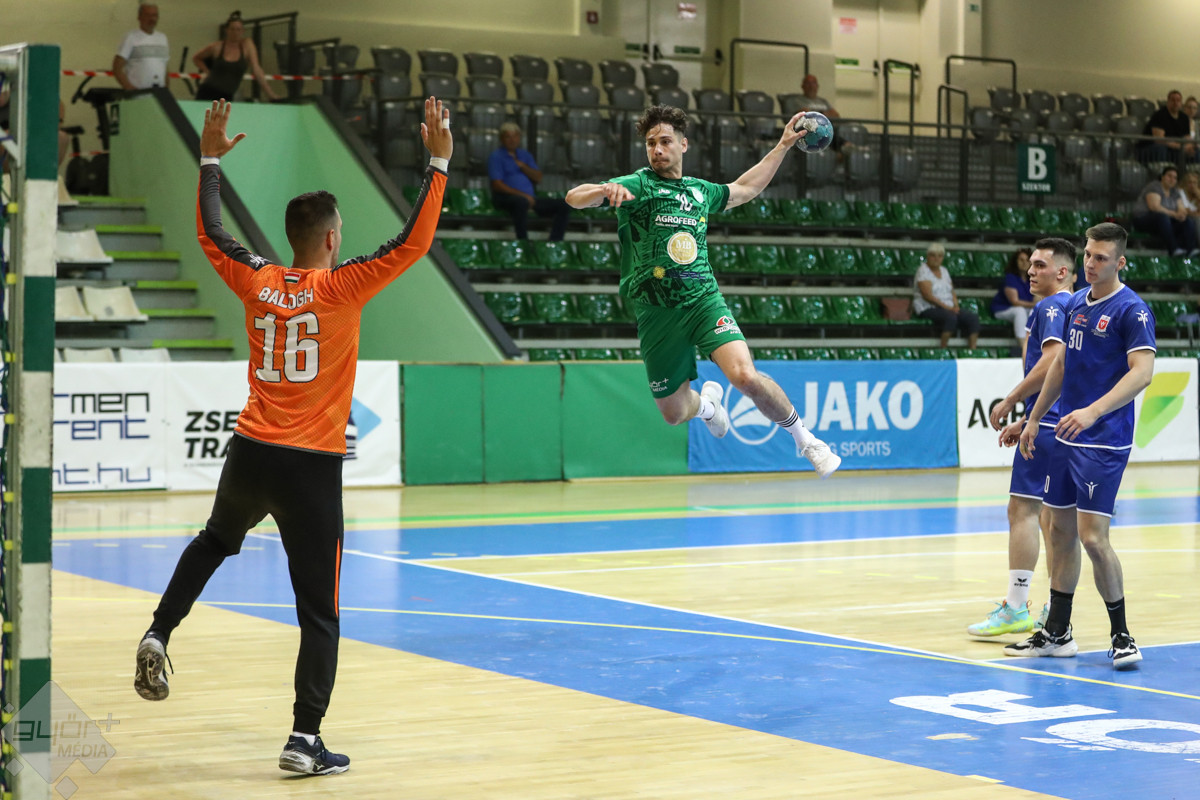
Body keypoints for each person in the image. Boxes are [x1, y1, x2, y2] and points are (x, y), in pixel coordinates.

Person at [133, 97, 452, 773]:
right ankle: (305, 739)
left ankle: (159, 630)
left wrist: (210, 158)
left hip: (250, 451)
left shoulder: (257, 279)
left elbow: (211, 233)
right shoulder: (343, 287)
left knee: (215, 541)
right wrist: (438, 164)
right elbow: (413, 242)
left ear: (291, 237)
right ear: (332, 239)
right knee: (318, 611)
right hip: (310, 465)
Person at [563, 105, 841, 478]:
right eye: (650, 143)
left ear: (683, 144)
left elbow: (745, 189)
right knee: (674, 412)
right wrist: (602, 189)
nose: (657, 149)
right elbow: (574, 197)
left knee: (744, 376)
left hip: (703, 300)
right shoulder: (639, 185)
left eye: (665, 141)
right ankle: (708, 406)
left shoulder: (699, 191)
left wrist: (783, 146)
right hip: (658, 311)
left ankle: (806, 440)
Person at [1009, 223, 1155, 669]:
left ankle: (1122, 635)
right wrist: (1034, 418)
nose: (1091, 264)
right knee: (1059, 532)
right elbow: (1059, 366)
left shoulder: (1132, 310)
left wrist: (1093, 411)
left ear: (1120, 262)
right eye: (1088, 255)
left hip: (1103, 441)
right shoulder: (1075, 304)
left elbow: (1142, 373)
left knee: (1092, 537)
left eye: (1100, 258)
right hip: (1063, 435)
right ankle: (1058, 632)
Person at [971, 238, 1080, 638]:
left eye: (1039, 265)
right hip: (1063, 423)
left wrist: (1013, 399)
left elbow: (1051, 362)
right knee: (1055, 520)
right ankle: (1055, 608)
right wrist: (1028, 416)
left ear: (1062, 272)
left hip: (1048, 425)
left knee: (1023, 512)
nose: (1031, 271)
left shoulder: (1050, 307)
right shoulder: (1078, 307)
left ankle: (1016, 606)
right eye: (1030, 265)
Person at [488, 122, 570, 241]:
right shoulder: (496, 157)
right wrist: (523, 196)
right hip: (506, 197)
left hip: (529, 198)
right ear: (502, 139)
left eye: (515, 136)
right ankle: (523, 241)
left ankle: (555, 241)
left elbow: (538, 177)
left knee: (564, 205)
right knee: (521, 202)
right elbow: (497, 185)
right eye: (508, 137)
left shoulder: (525, 155)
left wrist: (523, 167)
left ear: (519, 138)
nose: (512, 140)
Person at [192, 11, 279, 102]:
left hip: (227, 95)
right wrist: (207, 71)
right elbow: (196, 58)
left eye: (238, 29)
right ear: (227, 30)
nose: (235, 32)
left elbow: (256, 69)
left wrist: (270, 94)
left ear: (243, 31)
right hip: (207, 91)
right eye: (232, 29)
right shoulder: (217, 47)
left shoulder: (247, 45)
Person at [912, 242, 980, 349]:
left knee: (972, 318)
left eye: (939, 256)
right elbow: (928, 296)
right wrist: (948, 308)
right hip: (928, 307)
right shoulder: (923, 271)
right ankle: (943, 348)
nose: (936, 259)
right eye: (933, 255)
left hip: (948, 307)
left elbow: (951, 291)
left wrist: (956, 306)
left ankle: (973, 349)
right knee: (951, 318)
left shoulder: (944, 271)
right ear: (928, 256)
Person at [1130, 165, 1199, 256]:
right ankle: (1174, 249)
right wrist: (1175, 214)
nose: (1172, 179)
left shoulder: (1174, 192)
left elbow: (1181, 208)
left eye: (1175, 178)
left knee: (1188, 221)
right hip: (1143, 219)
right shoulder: (1154, 186)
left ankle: (1190, 250)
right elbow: (1155, 207)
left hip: (1165, 222)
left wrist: (1181, 214)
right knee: (1162, 217)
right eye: (1169, 176)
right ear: (1162, 177)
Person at [113, 3, 169, 92]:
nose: (152, 19)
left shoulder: (163, 38)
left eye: (154, 15)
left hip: (159, 93)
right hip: (138, 94)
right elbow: (117, 68)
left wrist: (166, 90)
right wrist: (129, 87)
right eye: (148, 15)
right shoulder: (130, 37)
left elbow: (165, 67)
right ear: (139, 17)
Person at [990, 247, 1036, 348]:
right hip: (1003, 309)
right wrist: (1034, 304)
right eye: (1021, 260)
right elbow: (1015, 302)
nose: (1024, 263)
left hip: (1025, 309)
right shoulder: (1010, 278)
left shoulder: (1032, 279)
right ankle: (1023, 346)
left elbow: (1037, 298)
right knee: (1019, 311)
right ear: (1015, 262)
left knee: (1037, 312)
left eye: (1027, 260)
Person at [1139, 90, 1195, 163]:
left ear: (1181, 103)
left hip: (1173, 147)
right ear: (1168, 102)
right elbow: (1159, 140)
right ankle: (1162, 169)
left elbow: (1187, 138)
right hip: (1151, 147)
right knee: (1161, 148)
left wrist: (1190, 147)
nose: (1176, 103)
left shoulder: (1184, 117)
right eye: (1173, 100)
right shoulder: (1159, 115)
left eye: (1178, 100)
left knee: (1194, 151)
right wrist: (1180, 146)